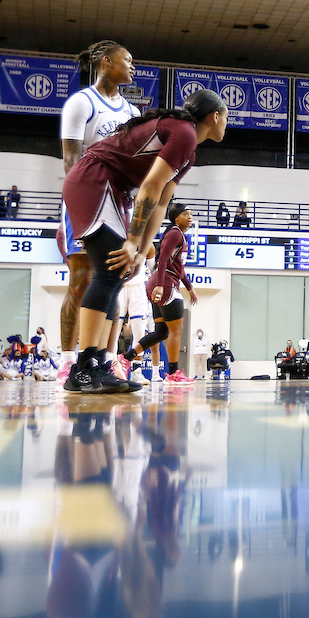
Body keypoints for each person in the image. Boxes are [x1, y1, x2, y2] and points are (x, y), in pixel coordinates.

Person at [62, 88, 225, 393]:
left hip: (110, 188)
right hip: (94, 180)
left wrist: (138, 248)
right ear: (215, 117)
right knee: (110, 271)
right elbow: (149, 187)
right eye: (225, 118)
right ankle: (83, 369)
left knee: (118, 271)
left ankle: (95, 364)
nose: (225, 124)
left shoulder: (189, 151)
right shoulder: (185, 133)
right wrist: (132, 239)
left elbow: (161, 202)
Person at [58, 41, 141, 370]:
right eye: (128, 60)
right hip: (85, 199)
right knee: (81, 279)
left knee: (115, 282)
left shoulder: (132, 113)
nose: (133, 67)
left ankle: (106, 360)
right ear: (107, 62)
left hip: (120, 203)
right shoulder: (81, 103)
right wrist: (82, 204)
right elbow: (71, 161)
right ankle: (67, 360)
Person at [121, 204, 199, 385]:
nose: (189, 216)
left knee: (162, 332)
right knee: (176, 330)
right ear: (176, 217)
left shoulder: (178, 235)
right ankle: (173, 374)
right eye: (185, 214)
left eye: (191, 214)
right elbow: (162, 258)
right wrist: (162, 285)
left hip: (160, 282)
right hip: (165, 283)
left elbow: (179, 267)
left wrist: (189, 287)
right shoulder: (175, 233)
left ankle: (127, 358)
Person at [109, 243, 156, 382]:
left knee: (140, 332)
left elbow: (153, 271)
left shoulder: (148, 245)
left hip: (139, 288)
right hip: (119, 286)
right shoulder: (119, 238)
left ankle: (136, 371)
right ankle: (111, 367)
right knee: (114, 330)